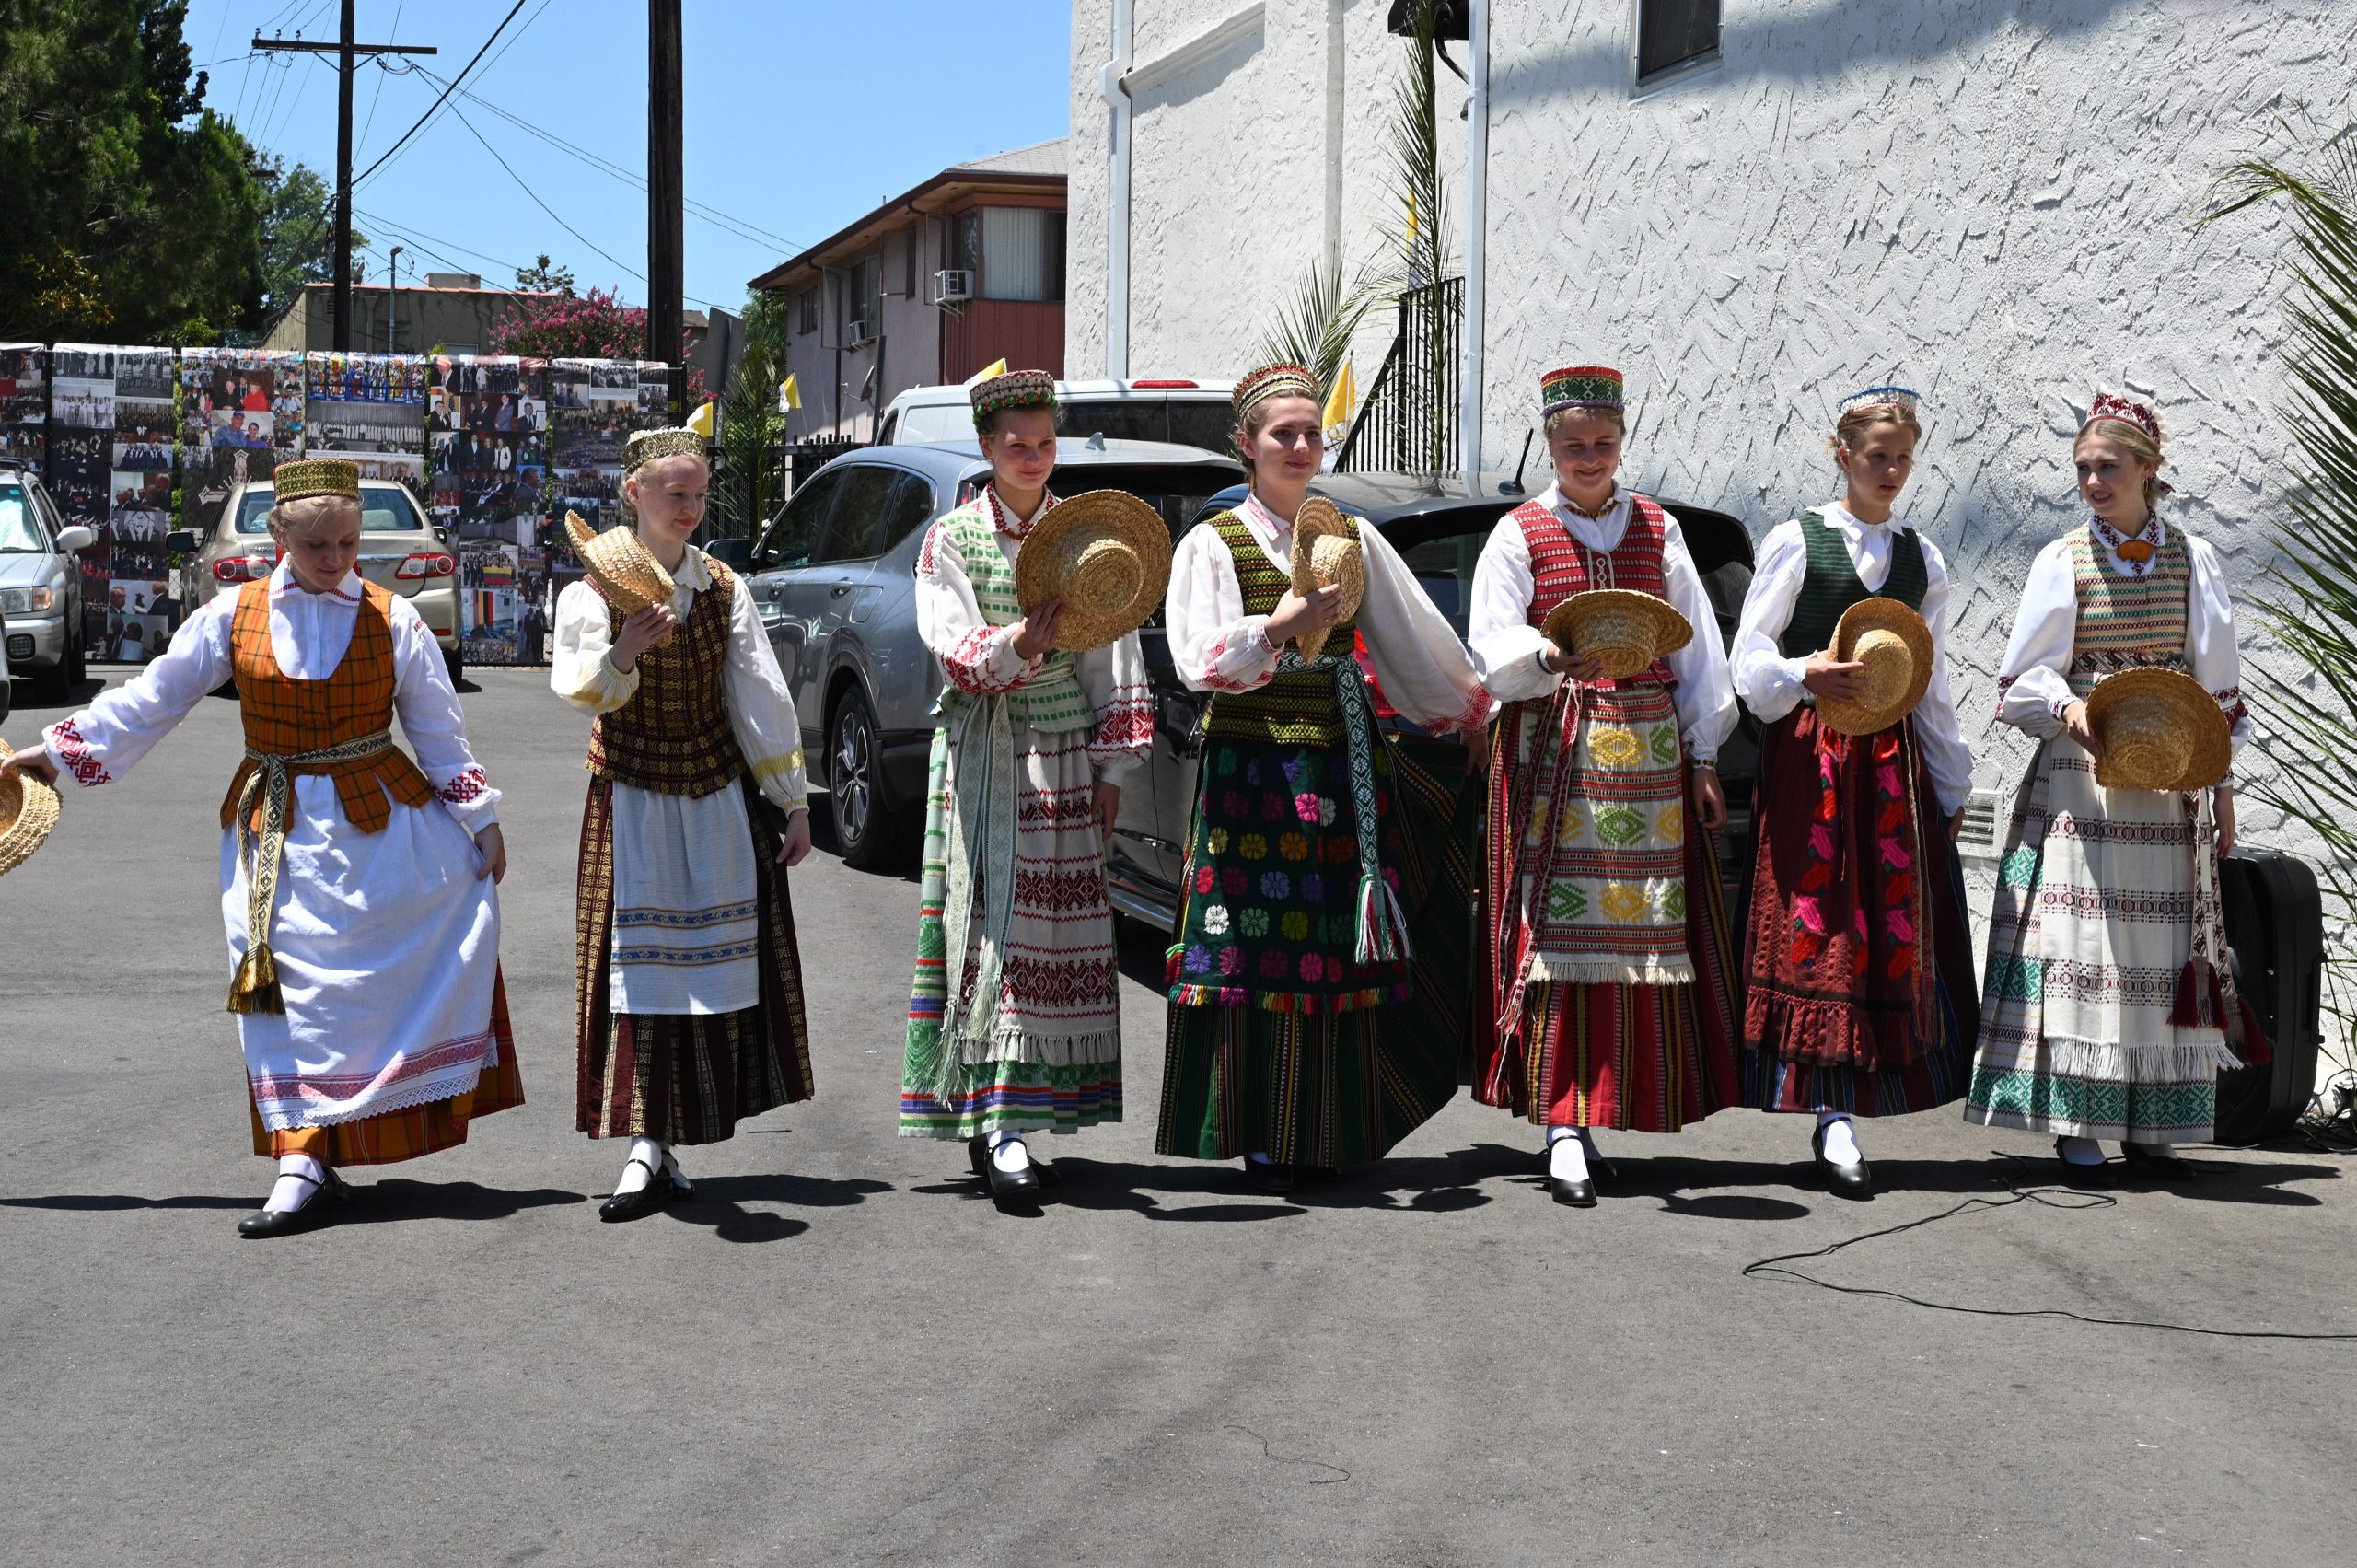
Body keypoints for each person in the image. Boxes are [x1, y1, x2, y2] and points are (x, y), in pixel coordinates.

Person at [0, 459, 517, 1238]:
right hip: (274, 827)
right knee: (281, 984)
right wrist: (58, 750)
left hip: (383, 828)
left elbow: (439, 729)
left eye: (347, 543)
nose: (335, 559)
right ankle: (299, 1159)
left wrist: (480, 817)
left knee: (367, 985)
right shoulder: (231, 614)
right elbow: (155, 696)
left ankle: (333, 1145)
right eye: (316, 545)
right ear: (279, 537)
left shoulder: (394, 618)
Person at [1160, 364, 1492, 1192]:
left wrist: (1467, 710)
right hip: (1249, 768)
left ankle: (1322, 1123)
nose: (1302, 445)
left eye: (1313, 432)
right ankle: (1259, 1127)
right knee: (1248, 946)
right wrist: (1280, 627)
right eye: (1285, 433)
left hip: (1340, 767)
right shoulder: (1214, 542)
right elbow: (1196, 661)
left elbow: (1410, 638)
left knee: (1330, 949)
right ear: (1246, 444)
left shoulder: (1351, 537)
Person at [1467, 366, 1740, 1207]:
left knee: (1642, 937)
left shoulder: (1658, 528)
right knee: (1557, 936)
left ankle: (1606, 1106)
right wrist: (1548, 656)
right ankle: (1561, 1123)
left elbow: (1699, 652)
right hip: (1555, 756)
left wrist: (1703, 756)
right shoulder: (1519, 531)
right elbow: (1490, 646)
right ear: (1550, 445)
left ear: (1622, 443)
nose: (1590, 457)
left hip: (1650, 761)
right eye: (1575, 445)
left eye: (1604, 443)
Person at [1964, 393, 2245, 1179]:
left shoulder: (2194, 559)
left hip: (2170, 776)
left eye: (2108, 467)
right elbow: (2023, 678)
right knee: (2081, 944)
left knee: (2158, 948)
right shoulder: (2064, 560)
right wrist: (2067, 705)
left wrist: (2222, 788)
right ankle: (2076, 1119)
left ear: (2148, 470)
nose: (2092, 481)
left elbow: (2218, 686)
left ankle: (2152, 1122)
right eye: (2083, 467)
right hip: (2081, 779)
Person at [897, 370, 1154, 1204]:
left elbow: (1113, 653)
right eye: (1017, 444)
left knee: (1053, 938)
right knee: (994, 927)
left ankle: (1017, 1116)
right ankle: (998, 1121)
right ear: (986, 446)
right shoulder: (952, 537)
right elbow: (953, 644)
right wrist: (1018, 643)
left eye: (1045, 443)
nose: (1033, 457)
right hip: (988, 750)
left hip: (1066, 754)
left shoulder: (1081, 537)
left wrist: (1113, 769)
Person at [551, 426, 817, 1222]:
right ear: (633, 492)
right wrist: (624, 653)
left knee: (705, 972)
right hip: (631, 795)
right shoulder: (592, 591)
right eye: (676, 493)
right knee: (638, 973)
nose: (691, 507)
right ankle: (645, 1142)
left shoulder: (722, 587)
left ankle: (664, 1140)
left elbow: (758, 694)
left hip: (712, 796)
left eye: (699, 494)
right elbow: (579, 686)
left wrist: (793, 799)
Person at [1731, 387, 1980, 1195]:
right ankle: (1828, 1110)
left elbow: (1931, 684)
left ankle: (1852, 1102)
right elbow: (1749, 659)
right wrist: (1805, 672)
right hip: (1814, 758)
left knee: (1883, 925)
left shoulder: (1922, 559)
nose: (1892, 470)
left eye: (1903, 457)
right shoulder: (1799, 541)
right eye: (1878, 456)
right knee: (1822, 919)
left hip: (1893, 767)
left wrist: (1951, 781)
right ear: (1843, 455)